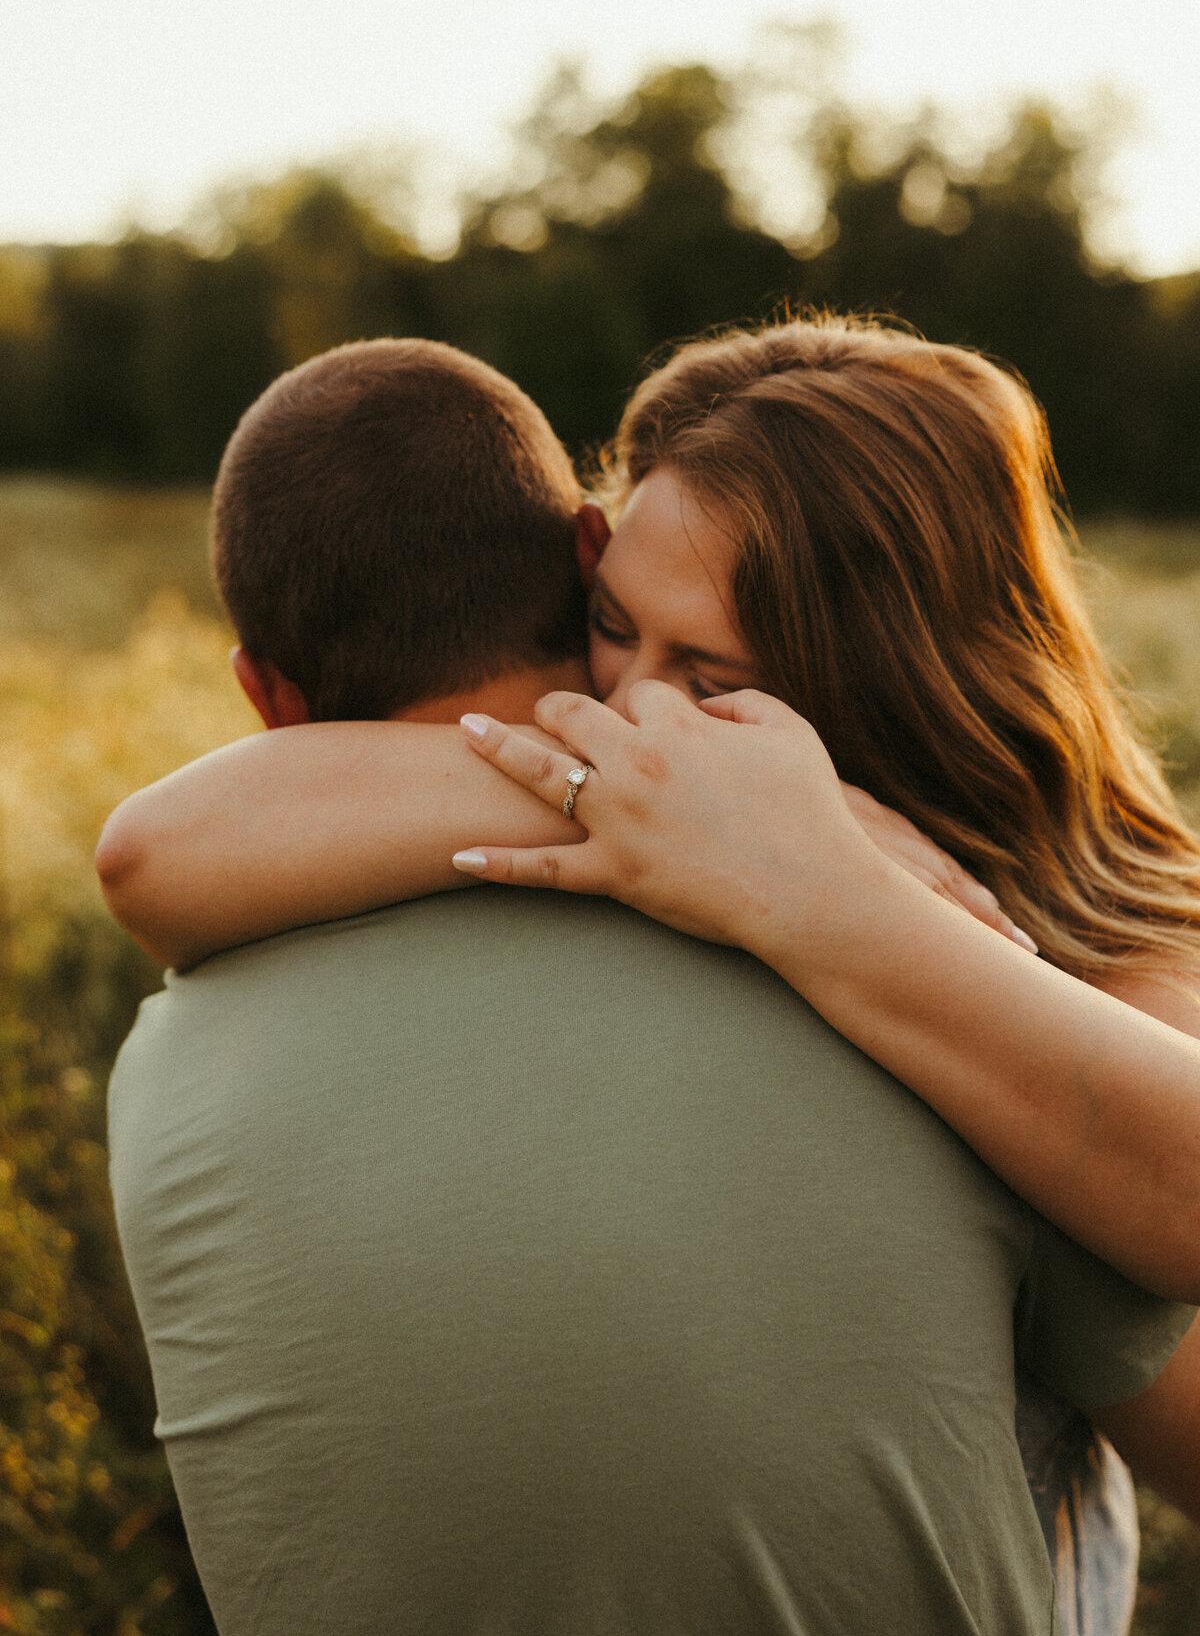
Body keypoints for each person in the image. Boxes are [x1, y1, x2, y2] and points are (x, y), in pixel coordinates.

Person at [99, 330, 1200, 1634]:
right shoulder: (659, 802)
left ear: (882, 683)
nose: (640, 715)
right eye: (613, 629)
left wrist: (833, 898)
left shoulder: (1095, 929)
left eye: (713, 675)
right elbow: (156, 850)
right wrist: (740, 828)